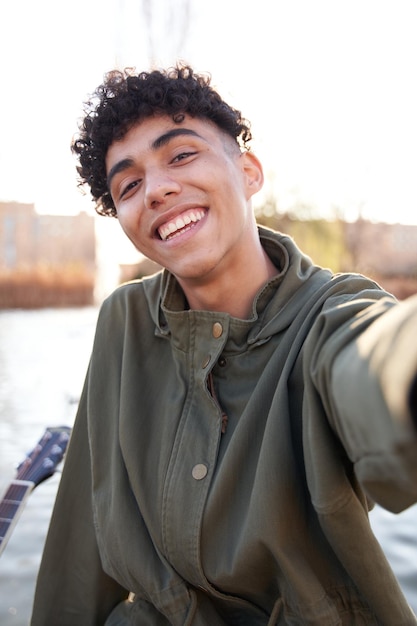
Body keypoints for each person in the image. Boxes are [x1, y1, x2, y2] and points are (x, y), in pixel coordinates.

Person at [31, 65, 417, 625]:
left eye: (181, 155)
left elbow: (379, 362)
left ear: (249, 172)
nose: (158, 188)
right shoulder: (123, 321)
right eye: (129, 185)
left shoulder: (332, 317)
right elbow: (79, 544)